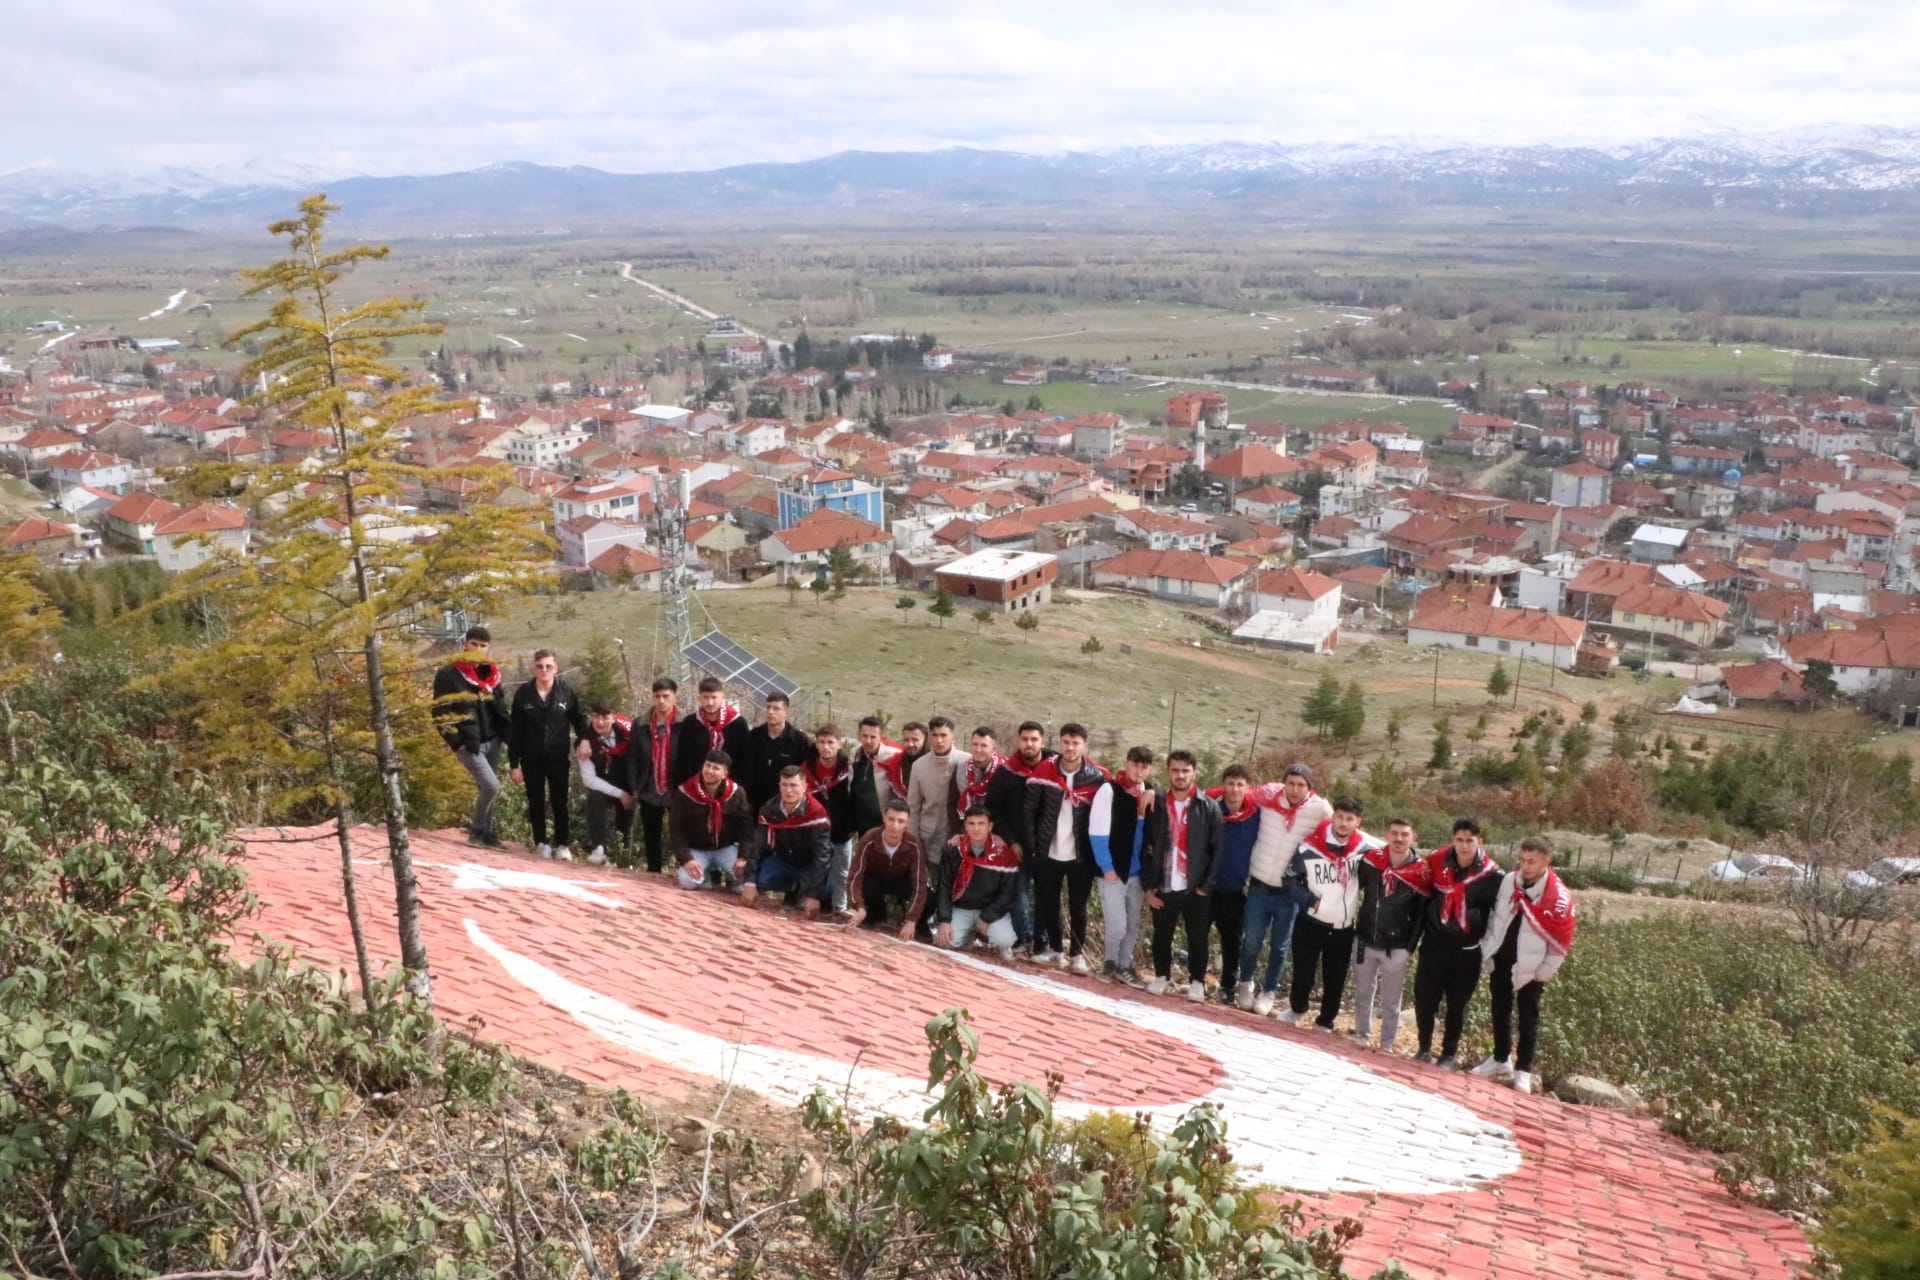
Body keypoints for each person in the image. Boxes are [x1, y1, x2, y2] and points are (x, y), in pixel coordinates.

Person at [1472, 836, 1576, 1094]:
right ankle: (1500, 1058)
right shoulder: (1510, 881)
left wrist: (1545, 971)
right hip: (1502, 957)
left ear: (1546, 862)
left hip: (1532, 965)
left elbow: (1561, 938)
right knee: (1500, 1009)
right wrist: (1488, 949)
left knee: (1528, 1018)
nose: (1526, 866)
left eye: (1532, 861)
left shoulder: (1557, 896)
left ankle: (1524, 1070)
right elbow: (1497, 917)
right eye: (1522, 860)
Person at [1238, 764, 1332, 1016]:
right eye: (1290, 783)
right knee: (1251, 940)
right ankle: (1245, 983)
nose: (1295, 789)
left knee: (1279, 946)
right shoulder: (1268, 797)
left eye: (1301, 785)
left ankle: (1269, 991)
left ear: (1309, 787)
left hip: (1289, 891)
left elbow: (1342, 830)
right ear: (1283, 784)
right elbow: (1237, 794)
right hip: (1259, 884)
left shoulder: (1320, 809)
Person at [1280, 795, 1377, 1030]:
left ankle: (1326, 1021)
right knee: (1303, 973)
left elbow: (1393, 853)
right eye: (1340, 817)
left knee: (1335, 978)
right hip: (1310, 922)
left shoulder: (1365, 850)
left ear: (1358, 822)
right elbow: (1289, 880)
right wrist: (1309, 901)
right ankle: (1297, 1008)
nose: (1343, 823)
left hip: (1342, 927)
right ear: (1333, 817)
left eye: (1349, 819)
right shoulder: (1309, 846)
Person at [1412, 817, 1503, 1068]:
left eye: (1469, 841)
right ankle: (1423, 1047)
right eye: (1459, 840)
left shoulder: (1492, 875)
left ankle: (1448, 1054)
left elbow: (1501, 915)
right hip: (1434, 944)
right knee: (1424, 999)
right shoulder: (1437, 861)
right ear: (1453, 839)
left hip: (1467, 950)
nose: (1464, 846)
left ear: (1480, 841)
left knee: (1457, 1004)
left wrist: (1490, 948)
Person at [1023, 721, 1108, 972]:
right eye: (1066, 743)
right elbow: (1029, 810)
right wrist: (1033, 844)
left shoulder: (1096, 777)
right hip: (1048, 851)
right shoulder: (1045, 770)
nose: (1070, 748)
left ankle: (1077, 954)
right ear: (1060, 743)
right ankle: (1055, 949)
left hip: (1080, 854)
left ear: (1084, 746)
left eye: (1075, 743)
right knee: (1049, 903)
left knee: (1078, 906)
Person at [1140, 750, 1222, 1001]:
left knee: (1197, 937)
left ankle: (1197, 981)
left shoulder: (1208, 807)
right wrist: (1148, 887)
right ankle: (1161, 976)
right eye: (1175, 770)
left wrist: (1206, 886)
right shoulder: (1157, 804)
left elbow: (1217, 849)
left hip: (1195, 886)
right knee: (1161, 935)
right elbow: (1146, 846)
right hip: (1164, 883)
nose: (1180, 775)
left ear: (1194, 773)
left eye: (1185, 770)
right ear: (1168, 772)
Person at [1351, 817, 1432, 1051]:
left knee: (1391, 1000)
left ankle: (1386, 1044)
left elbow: (1421, 915)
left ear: (1413, 838)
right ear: (1387, 835)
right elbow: (1353, 889)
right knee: (1363, 993)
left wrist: (1409, 947)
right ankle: (1361, 1035)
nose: (1399, 839)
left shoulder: (1421, 871)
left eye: (1404, 834)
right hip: (1365, 939)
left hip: (1396, 946)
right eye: (1394, 833)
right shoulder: (1371, 861)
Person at [431, 624, 509, 849]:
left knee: (486, 787)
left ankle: (487, 833)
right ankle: (476, 831)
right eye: (474, 644)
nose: (478, 649)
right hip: (468, 742)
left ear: (488, 648)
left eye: (483, 645)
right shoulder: (449, 674)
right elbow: (440, 712)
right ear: (465, 644)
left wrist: (507, 735)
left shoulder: (492, 674)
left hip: (492, 740)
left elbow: (500, 708)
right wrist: (456, 743)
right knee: (492, 786)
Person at [507, 649, 589, 860]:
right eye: (540, 666)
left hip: (558, 757)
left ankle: (562, 844)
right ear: (534, 668)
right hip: (531, 758)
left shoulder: (565, 692)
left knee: (560, 801)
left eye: (548, 666)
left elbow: (579, 719)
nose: (544, 670)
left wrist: (583, 740)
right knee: (536, 801)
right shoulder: (524, 693)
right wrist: (514, 764)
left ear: (556, 668)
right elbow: (515, 730)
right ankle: (541, 843)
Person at [1087, 746, 1157, 986]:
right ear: (1126, 764)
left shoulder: (1148, 793)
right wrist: (1107, 867)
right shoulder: (1109, 790)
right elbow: (1097, 833)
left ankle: (1124, 965)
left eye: (1144, 767)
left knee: (1132, 924)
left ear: (1150, 770)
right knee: (1117, 925)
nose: (1138, 771)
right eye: (1135, 765)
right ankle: (1109, 962)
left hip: (1137, 873)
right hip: (1113, 871)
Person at [739, 765, 832, 916]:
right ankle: (793, 889)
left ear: (804, 787)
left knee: (828, 890)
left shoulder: (817, 812)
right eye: (784, 785)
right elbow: (757, 845)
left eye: (794, 785)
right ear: (779, 785)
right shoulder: (769, 809)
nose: (788, 790)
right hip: (783, 860)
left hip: (809, 864)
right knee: (761, 880)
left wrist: (813, 895)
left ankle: (804, 891)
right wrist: (749, 883)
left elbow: (822, 855)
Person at [935, 806, 1020, 961]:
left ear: (990, 826)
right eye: (971, 823)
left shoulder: (1003, 854)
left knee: (1004, 940)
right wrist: (944, 920)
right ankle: (967, 936)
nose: (976, 828)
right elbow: (944, 887)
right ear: (965, 826)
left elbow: (1008, 893)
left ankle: (997, 941)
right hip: (962, 908)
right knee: (943, 942)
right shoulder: (953, 850)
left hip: (990, 911)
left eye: (981, 823)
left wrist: (987, 917)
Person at [1211, 766, 1262, 1009]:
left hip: (1234, 889)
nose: (1235, 789)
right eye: (1230, 783)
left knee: (1232, 942)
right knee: (1198, 935)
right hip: (1207, 886)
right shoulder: (1210, 808)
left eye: (1240, 784)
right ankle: (1196, 980)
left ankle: (1228, 988)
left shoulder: (1255, 815)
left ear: (1247, 787)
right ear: (1223, 785)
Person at [669, 748, 753, 890]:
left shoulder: (737, 793)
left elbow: (746, 828)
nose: (709, 771)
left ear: (725, 773)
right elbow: (676, 829)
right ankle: (705, 874)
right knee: (688, 882)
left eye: (716, 768)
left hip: (726, 847)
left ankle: (733, 879)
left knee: (747, 880)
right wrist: (686, 859)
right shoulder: (685, 792)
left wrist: (743, 857)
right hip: (697, 849)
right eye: (707, 765)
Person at [846, 798, 927, 940]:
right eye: (891, 819)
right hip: (875, 881)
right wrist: (859, 906)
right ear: (883, 817)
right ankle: (873, 914)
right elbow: (855, 874)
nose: (895, 826)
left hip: (901, 881)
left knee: (930, 898)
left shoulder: (913, 844)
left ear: (907, 823)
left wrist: (912, 919)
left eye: (901, 821)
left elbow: (919, 882)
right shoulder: (870, 838)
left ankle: (919, 925)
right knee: (868, 885)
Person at [579, 702, 637, 866]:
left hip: (628, 784)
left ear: (613, 717)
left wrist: (634, 790)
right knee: (594, 798)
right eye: (596, 717)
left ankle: (624, 858)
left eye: (605, 717)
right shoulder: (585, 742)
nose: (600, 722)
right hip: (604, 785)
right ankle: (598, 849)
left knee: (626, 824)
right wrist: (620, 794)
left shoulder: (629, 732)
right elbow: (588, 779)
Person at [805, 724, 856, 909]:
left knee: (841, 872)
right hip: (816, 829)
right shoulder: (808, 767)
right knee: (814, 867)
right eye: (822, 742)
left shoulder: (848, 768)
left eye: (830, 742)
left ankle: (839, 907)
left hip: (842, 830)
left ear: (840, 744)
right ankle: (809, 899)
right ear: (816, 744)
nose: (826, 747)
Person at [632, 678, 680, 873]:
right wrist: (634, 786)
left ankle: (684, 870)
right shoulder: (640, 723)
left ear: (675, 697)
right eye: (657, 696)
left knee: (680, 832)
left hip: (675, 787)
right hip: (649, 786)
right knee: (651, 833)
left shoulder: (685, 723)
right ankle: (653, 871)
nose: (661, 701)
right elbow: (633, 757)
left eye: (666, 696)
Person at [740, 691, 812, 810]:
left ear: (786, 712)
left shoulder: (800, 741)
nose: (770, 712)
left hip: (786, 804)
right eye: (768, 707)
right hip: (755, 803)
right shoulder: (753, 737)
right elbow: (744, 769)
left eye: (776, 708)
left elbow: (807, 773)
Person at [673, 677, 749, 788]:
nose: (710, 702)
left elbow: (745, 761)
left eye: (714, 697)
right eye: (706, 697)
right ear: (700, 698)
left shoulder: (738, 724)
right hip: (695, 785)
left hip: (728, 786)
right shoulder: (690, 723)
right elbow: (682, 758)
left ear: (722, 697)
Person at [906, 715, 963, 857]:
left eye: (943, 735)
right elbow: (913, 807)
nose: (939, 740)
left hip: (960, 838)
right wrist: (914, 841)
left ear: (953, 738)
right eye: (935, 735)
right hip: (928, 838)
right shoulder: (919, 766)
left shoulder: (966, 762)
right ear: (929, 738)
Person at [849, 716, 907, 839]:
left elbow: (902, 790)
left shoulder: (894, 756)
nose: (868, 741)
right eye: (865, 736)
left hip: (885, 821)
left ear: (881, 737)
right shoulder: (854, 754)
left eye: (873, 737)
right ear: (858, 735)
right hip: (862, 821)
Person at [896, 721, 929, 791]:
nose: (910, 744)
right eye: (906, 740)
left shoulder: (934, 762)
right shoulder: (898, 762)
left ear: (926, 740)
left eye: (915, 740)